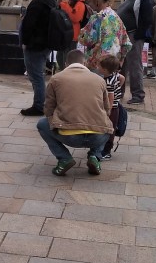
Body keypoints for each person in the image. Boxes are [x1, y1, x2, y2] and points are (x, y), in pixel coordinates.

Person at [36, 49, 112, 177]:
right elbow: (107, 109)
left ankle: (64, 158)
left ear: (66, 64)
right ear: (85, 63)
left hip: (69, 135)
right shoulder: (99, 80)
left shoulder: (56, 79)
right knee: (108, 123)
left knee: (42, 124)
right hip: (97, 136)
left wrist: (55, 122)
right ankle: (95, 156)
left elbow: (48, 109)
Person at [19, 0, 56, 116]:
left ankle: (39, 105)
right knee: (38, 74)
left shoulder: (37, 4)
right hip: (46, 43)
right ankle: (43, 103)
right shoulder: (51, 2)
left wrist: (25, 42)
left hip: (35, 44)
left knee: (36, 75)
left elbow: (29, 25)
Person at [78, 0, 132, 74]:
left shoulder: (96, 18)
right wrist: (120, 60)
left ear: (97, 2)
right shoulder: (116, 17)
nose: (88, 4)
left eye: (89, 1)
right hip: (112, 64)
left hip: (97, 64)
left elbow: (87, 40)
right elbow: (127, 43)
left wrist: (81, 33)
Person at [115, 0, 153, 105]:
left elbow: (148, 19)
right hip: (124, 35)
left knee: (134, 65)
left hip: (133, 35)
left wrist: (138, 35)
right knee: (121, 64)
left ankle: (138, 95)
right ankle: (119, 91)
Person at [98, 54, 125, 160]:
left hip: (111, 109)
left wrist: (107, 110)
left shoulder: (108, 81)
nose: (97, 68)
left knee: (109, 129)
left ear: (104, 70)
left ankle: (106, 152)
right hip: (116, 106)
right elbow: (122, 78)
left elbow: (110, 97)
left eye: (99, 66)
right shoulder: (115, 74)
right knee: (110, 129)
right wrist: (118, 86)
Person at [59, 0, 88, 71]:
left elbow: (75, 18)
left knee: (67, 57)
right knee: (60, 56)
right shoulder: (70, 3)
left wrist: (65, 6)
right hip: (65, 34)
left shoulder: (80, 4)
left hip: (73, 35)